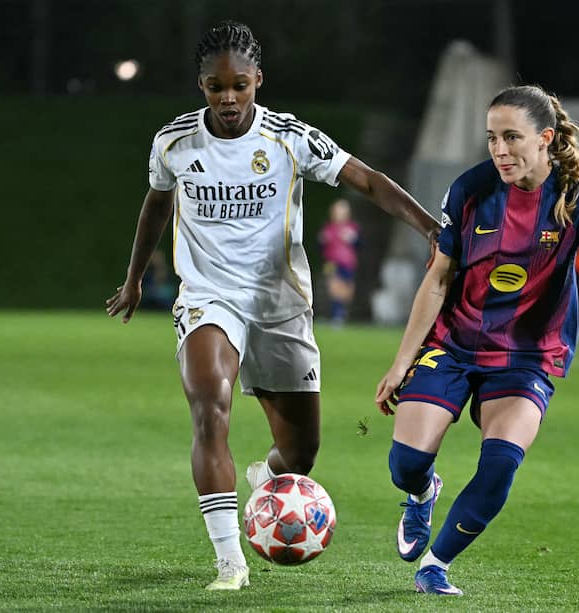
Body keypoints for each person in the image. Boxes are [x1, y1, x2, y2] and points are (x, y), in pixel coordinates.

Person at [105, 20, 439, 591]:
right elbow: (155, 207)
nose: (228, 98)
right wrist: (135, 279)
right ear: (201, 85)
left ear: (259, 79)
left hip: (281, 304)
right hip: (209, 297)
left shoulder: (290, 138)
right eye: (215, 87)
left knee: (301, 452)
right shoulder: (175, 143)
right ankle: (230, 562)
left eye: (240, 85)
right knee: (211, 404)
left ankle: (267, 476)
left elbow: (368, 180)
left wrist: (431, 228)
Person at [374, 85, 579, 595]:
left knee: (498, 466)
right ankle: (423, 491)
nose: (499, 150)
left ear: (545, 139)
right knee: (405, 464)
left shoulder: (578, 198)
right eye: (492, 138)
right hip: (453, 344)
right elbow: (437, 280)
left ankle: (437, 563)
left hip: (527, 358)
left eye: (512, 137)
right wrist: (401, 361)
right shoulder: (469, 190)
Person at [318, 198, 361, 326]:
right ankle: (336, 315)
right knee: (333, 287)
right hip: (331, 263)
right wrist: (322, 240)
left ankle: (341, 313)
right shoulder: (329, 228)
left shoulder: (352, 228)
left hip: (348, 264)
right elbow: (321, 247)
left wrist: (353, 239)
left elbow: (360, 245)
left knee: (346, 291)